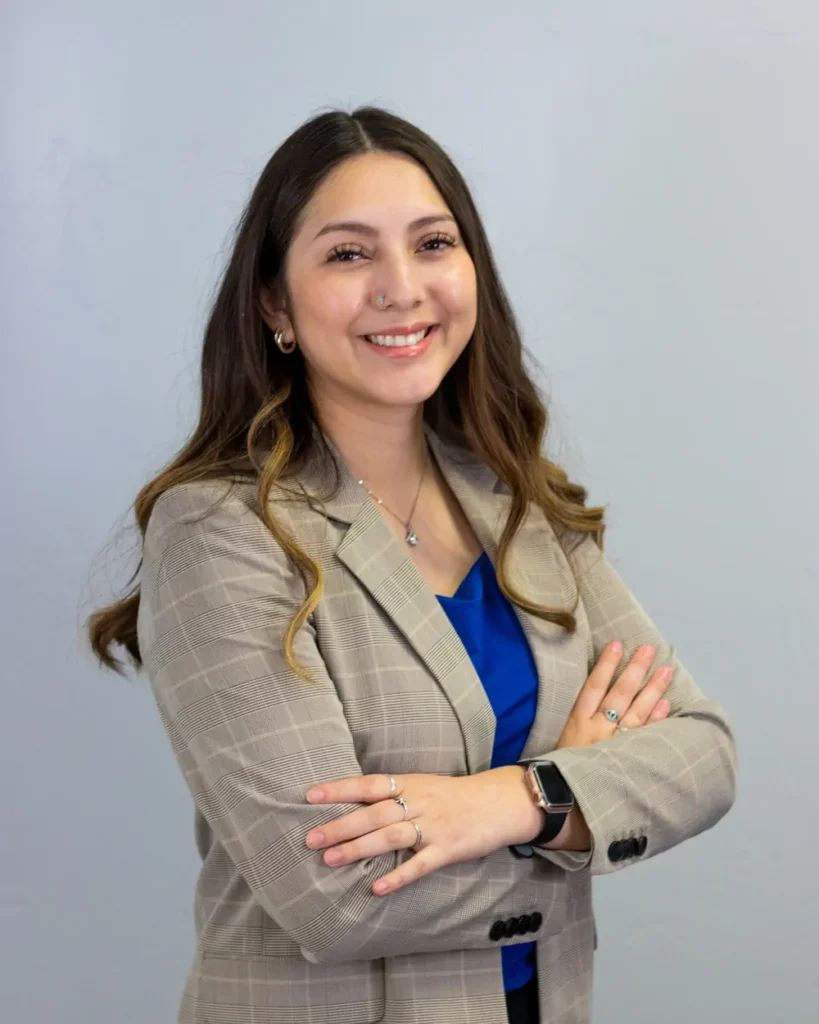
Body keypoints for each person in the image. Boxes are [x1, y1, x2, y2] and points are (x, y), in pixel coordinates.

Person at [87, 106, 737, 1024]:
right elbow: (336, 897)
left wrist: (520, 798)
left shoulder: (520, 500)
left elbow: (703, 756)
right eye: (348, 255)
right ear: (275, 302)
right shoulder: (222, 532)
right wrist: (578, 816)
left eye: (432, 243)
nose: (402, 288)